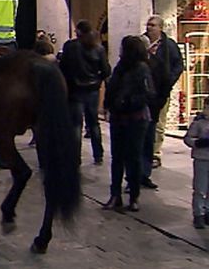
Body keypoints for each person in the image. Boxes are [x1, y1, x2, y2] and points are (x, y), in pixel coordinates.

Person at [102, 36, 156, 213]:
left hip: (136, 118)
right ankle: (115, 195)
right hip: (119, 117)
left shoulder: (142, 69)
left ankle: (134, 196)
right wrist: (109, 105)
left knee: (133, 157)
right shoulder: (120, 67)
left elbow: (148, 94)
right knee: (117, 157)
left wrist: (128, 101)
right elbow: (112, 87)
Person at [60, 20, 111, 165]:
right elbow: (106, 70)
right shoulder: (98, 48)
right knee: (93, 123)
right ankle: (98, 155)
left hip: (74, 91)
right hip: (92, 90)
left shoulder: (70, 47)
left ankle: (75, 157)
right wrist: (98, 80)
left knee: (76, 125)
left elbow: (63, 67)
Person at [142, 15, 183, 183]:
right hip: (144, 92)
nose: (149, 27)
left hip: (161, 90)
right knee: (146, 126)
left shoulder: (169, 46)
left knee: (158, 124)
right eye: (148, 24)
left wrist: (169, 81)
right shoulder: (142, 43)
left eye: (153, 25)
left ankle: (155, 153)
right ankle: (145, 160)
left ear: (160, 28)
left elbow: (178, 65)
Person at [184, 103, 209, 229]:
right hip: (202, 158)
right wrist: (198, 143)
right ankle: (198, 214)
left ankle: (207, 211)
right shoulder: (199, 122)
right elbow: (188, 138)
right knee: (200, 188)